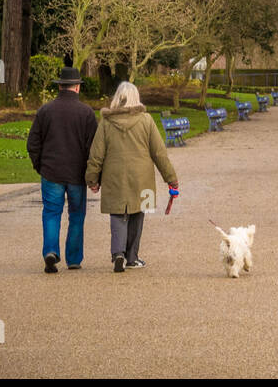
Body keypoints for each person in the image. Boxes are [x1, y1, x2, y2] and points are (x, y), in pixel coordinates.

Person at [85, 81, 179, 272]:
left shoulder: (106, 123)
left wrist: (92, 179)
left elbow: (96, 154)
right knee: (139, 214)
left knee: (118, 214)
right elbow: (159, 153)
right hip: (142, 177)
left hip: (114, 176)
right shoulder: (146, 120)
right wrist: (171, 178)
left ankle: (118, 252)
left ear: (117, 98)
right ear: (136, 98)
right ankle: (132, 257)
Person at [26, 66, 98, 273]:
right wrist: (93, 176)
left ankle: (50, 251)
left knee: (51, 213)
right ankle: (73, 258)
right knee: (76, 215)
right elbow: (93, 148)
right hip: (76, 174)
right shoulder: (86, 113)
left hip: (51, 172)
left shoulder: (45, 110)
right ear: (77, 87)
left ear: (60, 86)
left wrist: (40, 166)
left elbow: (33, 143)